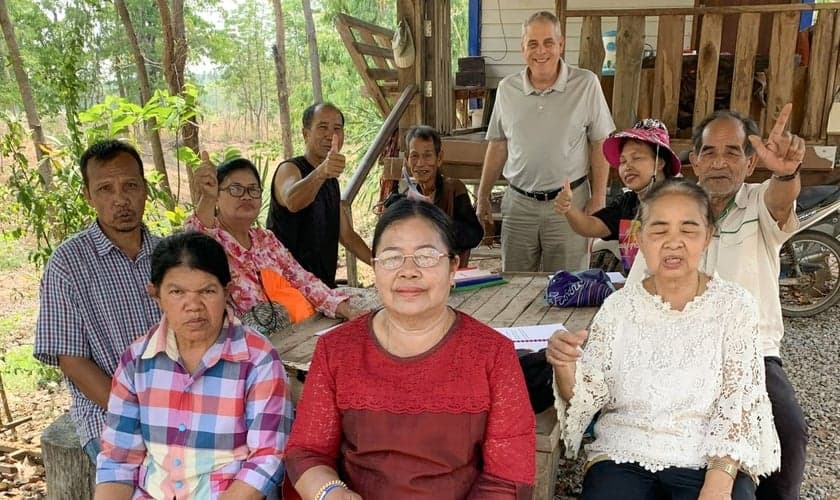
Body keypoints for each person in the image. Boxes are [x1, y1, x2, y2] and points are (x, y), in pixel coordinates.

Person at [284, 199, 536, 499]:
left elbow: (508, 477)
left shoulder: (493, 354)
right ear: (375, 267)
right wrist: (331, 492)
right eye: (391, 258)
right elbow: (307, 451)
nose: (408, 271)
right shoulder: (337, 349)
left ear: (453, 267)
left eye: (427, 256)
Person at [548, 178, 780, 499]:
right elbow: (590, 395)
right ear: (640, 238)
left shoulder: (735, 306)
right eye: (659, 230)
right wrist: (565, 366)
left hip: (708, 455)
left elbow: (737, 402)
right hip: (625, 450)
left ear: (709, 237)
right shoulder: (619, 308)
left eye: (688, 229)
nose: (674, 242)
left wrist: (718, 484)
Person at [626, 104, 808, 500]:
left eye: (732, 152)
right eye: (709, 152)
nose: (720, 162)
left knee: (788, 429)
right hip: (671, 348)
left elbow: (782, 199)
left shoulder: (760, 203)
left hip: (750, 354)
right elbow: (636, 288)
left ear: (750, 160)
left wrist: (787, 172)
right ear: (694, 161)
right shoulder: (672, 209)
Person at [95, 231, 292, 499]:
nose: (193, 306)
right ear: (156, 295)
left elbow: (267, 458)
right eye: (177, 292)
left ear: (227, 291)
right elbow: (118, 459)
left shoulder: (258, 360)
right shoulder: (137, 360)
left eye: (207, 291)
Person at [34, 140, 161, 464]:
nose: (120, 199)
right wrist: (140, 414)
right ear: (88, 196)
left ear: (145, 189)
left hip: (183, 403)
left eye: (130, 185)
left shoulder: (167, 254)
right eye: (105, 189)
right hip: (111, 415)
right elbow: (72, 361)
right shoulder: (68, 263)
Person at [476, 10, 614, 273]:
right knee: (515, 285)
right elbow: (498, 145)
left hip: (569, 205)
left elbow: (600, 143)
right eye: (533, 44)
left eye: (549, 42)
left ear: (561, 45)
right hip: (518, 205)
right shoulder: (507, 89)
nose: (541, 51)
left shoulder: (586, 84)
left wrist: (598, 198)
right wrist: (482, 196)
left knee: (569, 284)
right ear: (522, 48)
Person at [188, 155, 361, 335]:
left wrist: (343, 308)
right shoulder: (211, 242)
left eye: (253, 189)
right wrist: (206, 197)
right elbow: (194, 241)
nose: (246, 196)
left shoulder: (265, 239)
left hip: (293, 335)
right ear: (217, 196)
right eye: (235, 189)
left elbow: (301, 278)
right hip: (241, 348)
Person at [267, 102, 371, 288]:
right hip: (289, 292)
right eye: (322, 127)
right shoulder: (290, 169)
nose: (331, 135)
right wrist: (322, 171)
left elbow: (346, 235)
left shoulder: (331, 180)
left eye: (337, 128)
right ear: (305, 134)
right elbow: (292, 200)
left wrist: (378, 263)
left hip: (322, 290)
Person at [555, 119, 682, 272]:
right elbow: (591, 226)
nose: (627, 166)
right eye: (623, 161)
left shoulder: (683, 202)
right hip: (636, 290)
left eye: (636, 158)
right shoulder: (628, 203)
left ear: (660, 162)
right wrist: (568, 209)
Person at [385, 125, 483, 266]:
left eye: (427, 156)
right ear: (407, 159)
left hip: (450, 273)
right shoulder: (407, 198)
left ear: (439, 158)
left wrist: (434, 219)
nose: (420, 163)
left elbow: (474, 236)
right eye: (414, 156)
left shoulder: (454, 189)